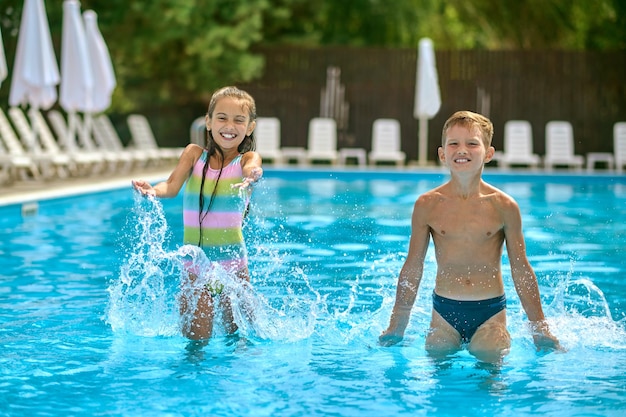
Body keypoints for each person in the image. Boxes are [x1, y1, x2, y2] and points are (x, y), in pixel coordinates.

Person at [379, 110, 560, 363]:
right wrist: (396, 327)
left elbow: (521, 269)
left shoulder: (503, 206)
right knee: (436, 352)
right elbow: (412, 267)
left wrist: (541, 331)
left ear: (488, 153)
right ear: (442, 153)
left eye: (472, 144)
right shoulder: (427, 205)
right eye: (453, 143)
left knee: (490, 353)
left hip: (490, 312)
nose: (461, 150)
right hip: (443, 313)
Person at [132, 86, 263, 340]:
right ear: (209, 122)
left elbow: (253, 167)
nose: (229, 125)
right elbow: (170, 186)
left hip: (233, 267)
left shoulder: (246, 159)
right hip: (195, 268)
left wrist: (253, 176)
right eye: (222, 117)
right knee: (194, 344)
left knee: (239, 341)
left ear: (249, 127)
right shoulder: (194, 155)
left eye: (239, 120)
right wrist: (153, 191)